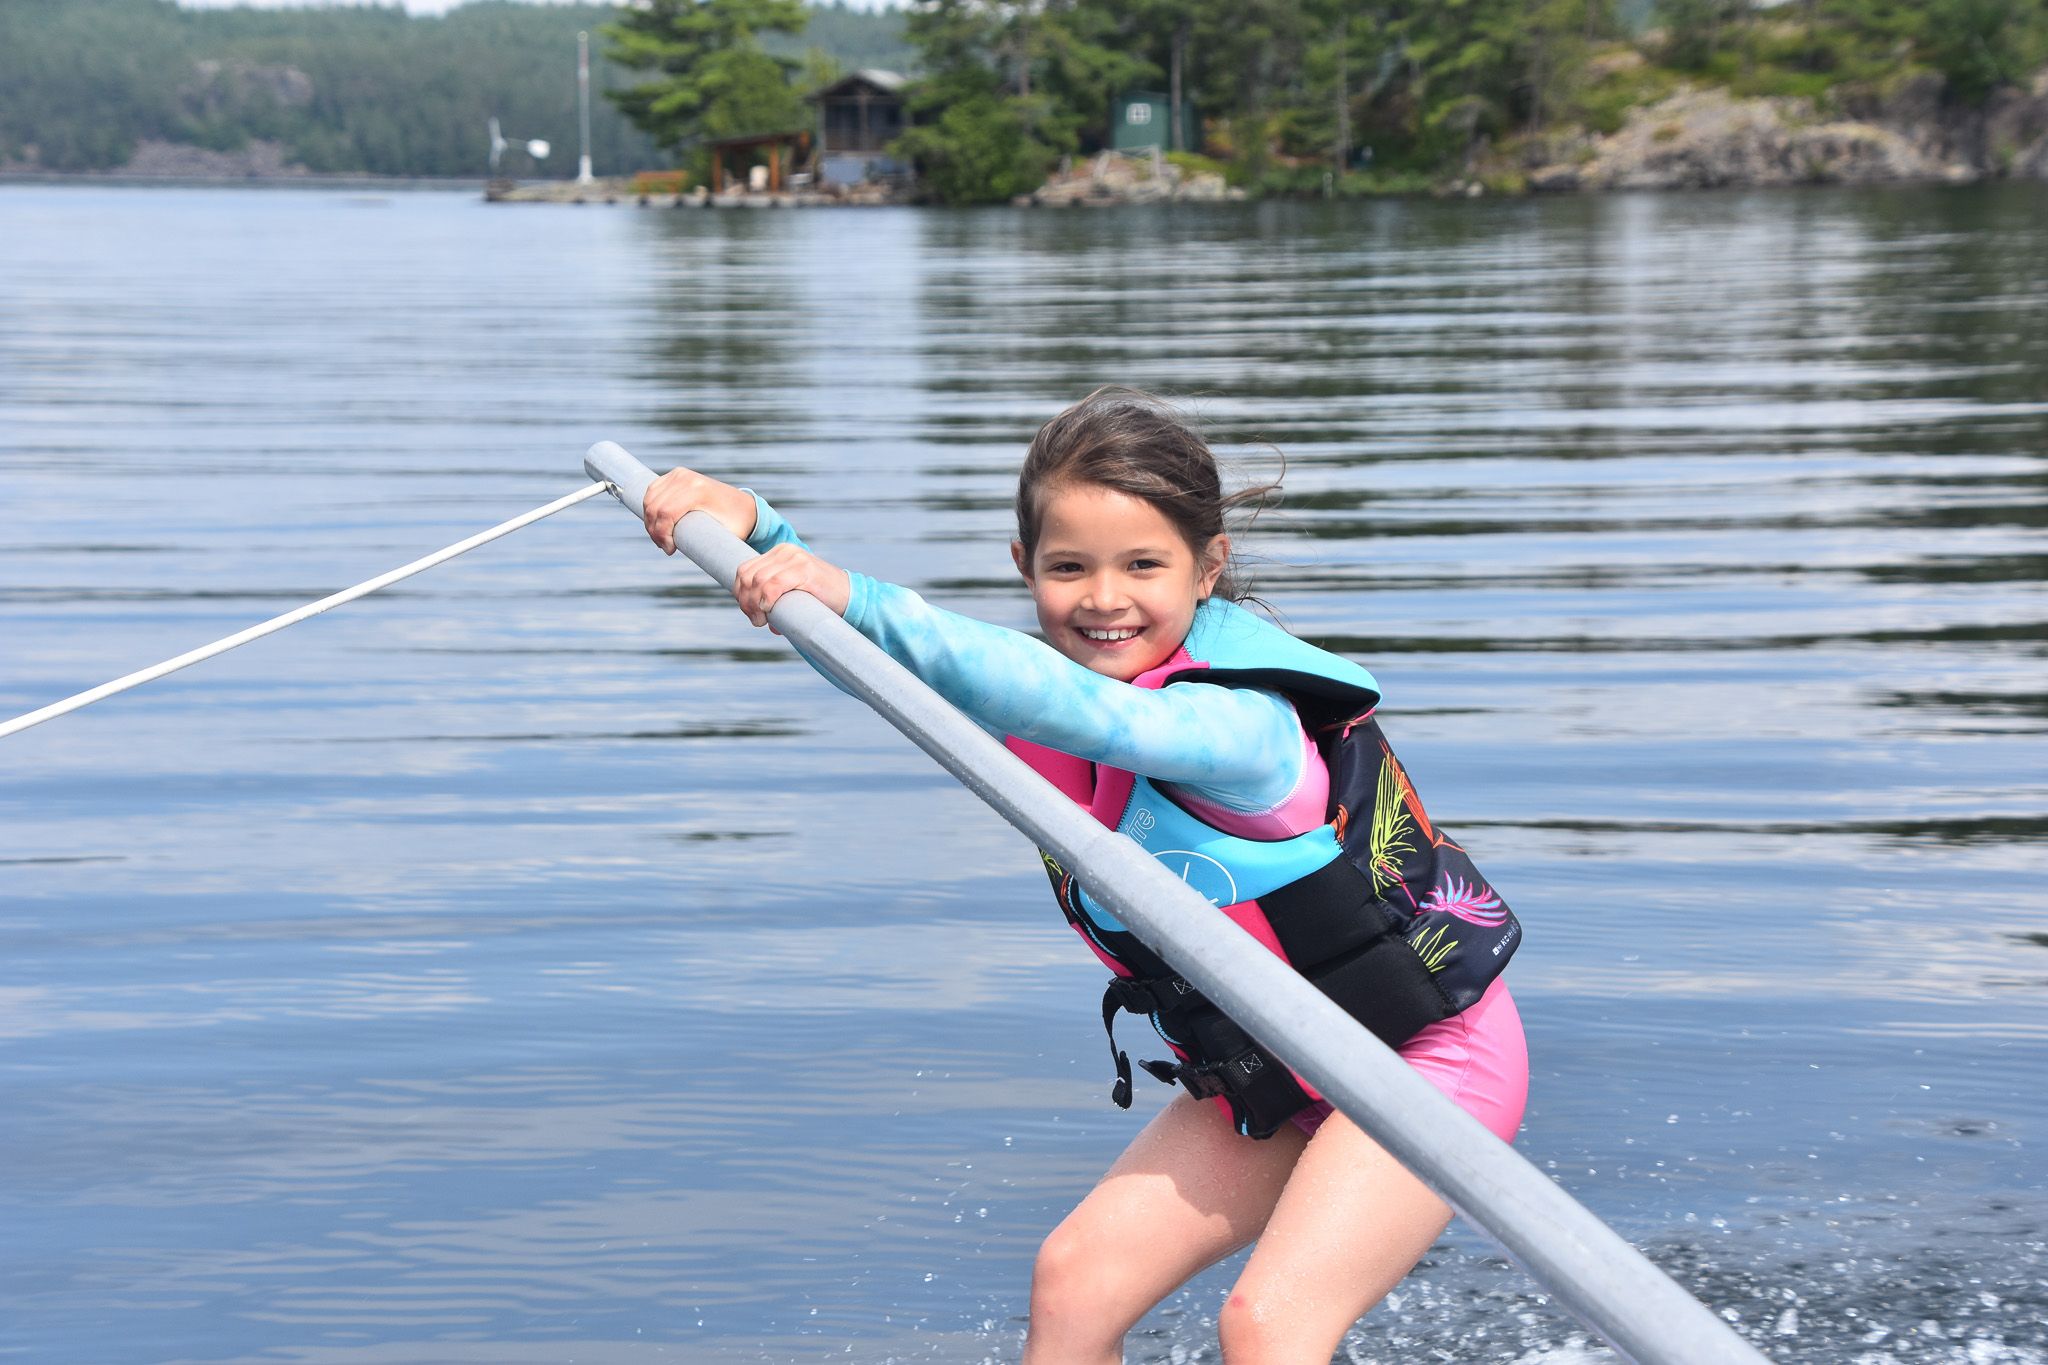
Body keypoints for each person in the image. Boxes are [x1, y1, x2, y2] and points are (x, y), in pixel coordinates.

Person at [639, 387, 1529, 1364]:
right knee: (1072, 1282)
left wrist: (852, 589)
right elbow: (881, 660)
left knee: (1267, 1325)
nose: (1104, 598)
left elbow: (1094, 717)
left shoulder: (1238, 729)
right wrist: (758, 532)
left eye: (1142, 564)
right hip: (1282, 1060)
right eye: (1069, 568)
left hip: (1421, 1057)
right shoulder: (1046, 697)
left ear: (1208, 567)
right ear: (1024, 568)